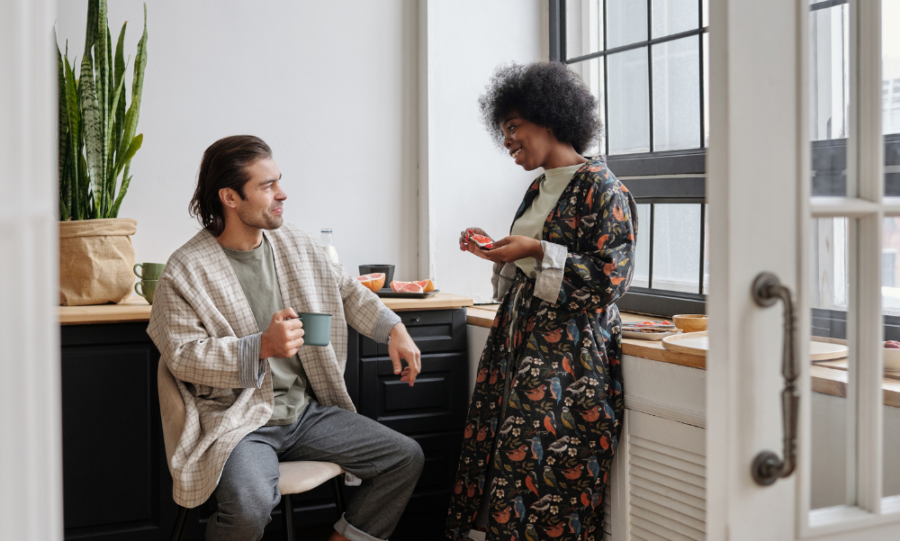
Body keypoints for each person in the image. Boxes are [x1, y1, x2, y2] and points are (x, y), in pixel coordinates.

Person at [147, 135, 424, 541]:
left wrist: (394, 328)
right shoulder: (185, 270)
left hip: (305, 413)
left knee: (404, 457)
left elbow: (347, 290)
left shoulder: (295, 243)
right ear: (230, 197)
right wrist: (261, 347)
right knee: (248, 505)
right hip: (239, 421)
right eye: (267, 186)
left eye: (278, 181)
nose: (282, 194)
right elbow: (184, 355)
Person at [444, 63, 637, 541]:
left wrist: (533, 249)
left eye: (513, 128)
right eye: (503, 131)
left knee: (546, 476)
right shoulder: (538, 186)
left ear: (548, 119)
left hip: (569, 358)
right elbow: (532, 265)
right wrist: (497, 251)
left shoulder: (603, 188)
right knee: (498, 468)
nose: (507, 141)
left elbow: (610, 279)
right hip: (517, 341)